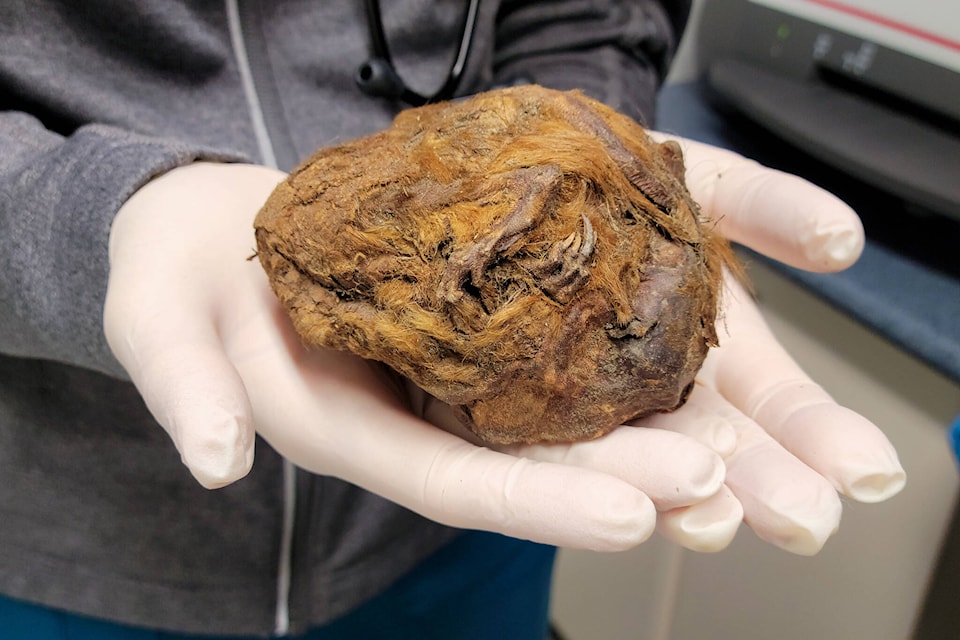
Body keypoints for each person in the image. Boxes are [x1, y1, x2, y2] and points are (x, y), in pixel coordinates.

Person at [0, 1, 905, 638]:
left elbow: (588, 13)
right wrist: (92, 213)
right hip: (82, 542)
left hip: (465, 544)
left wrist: (583, 124)